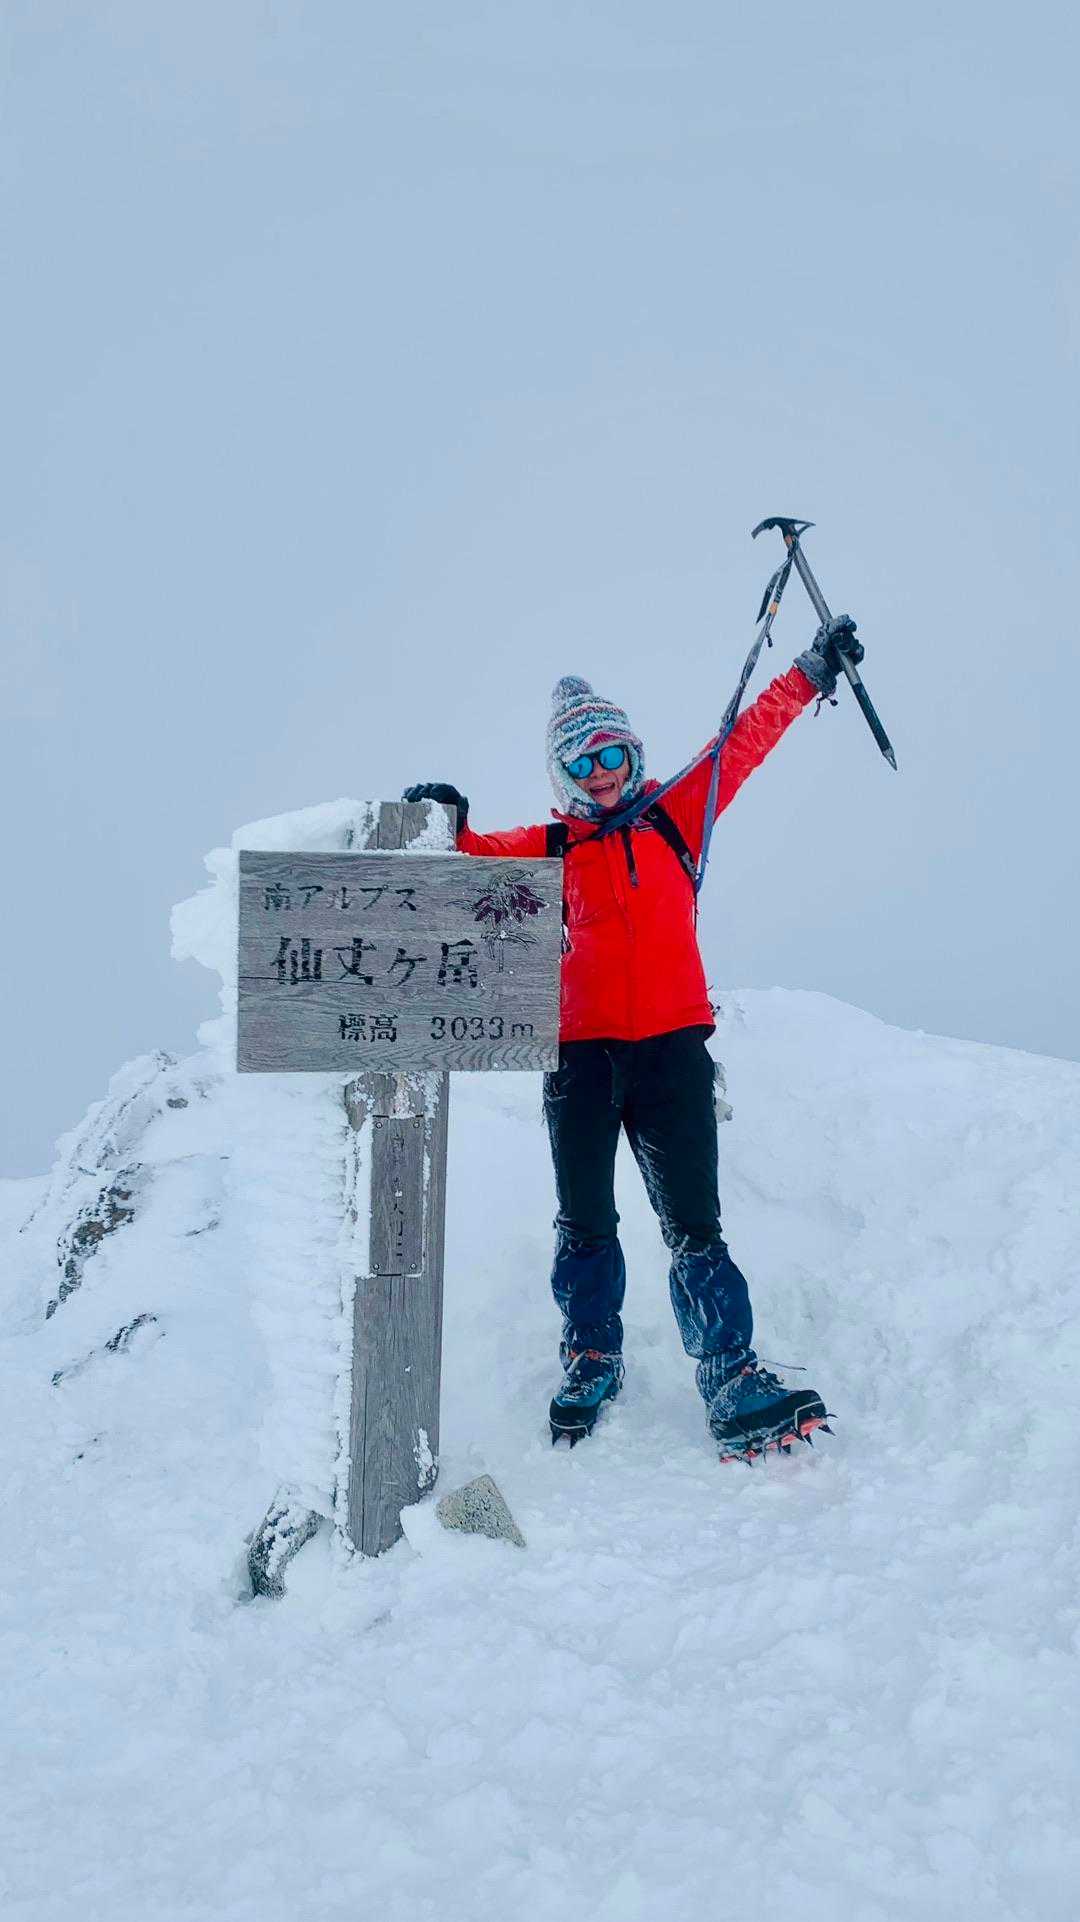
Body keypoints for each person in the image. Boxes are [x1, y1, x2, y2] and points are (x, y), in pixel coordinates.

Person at [405, 613, 862, 1461]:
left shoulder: (675, 815)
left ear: (633, 754)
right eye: (582, 762)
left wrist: (809, 672)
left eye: (612, 753)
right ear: (563, 775)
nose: (603, 772)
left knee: (695, 1225)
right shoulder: (549, 846)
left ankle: (730, 1373)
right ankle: (592, 1356)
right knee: (584, 1220)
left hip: (672, 1053)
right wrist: (446, 820)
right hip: (580, 1061)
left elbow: (742, 742)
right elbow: (469, 857)